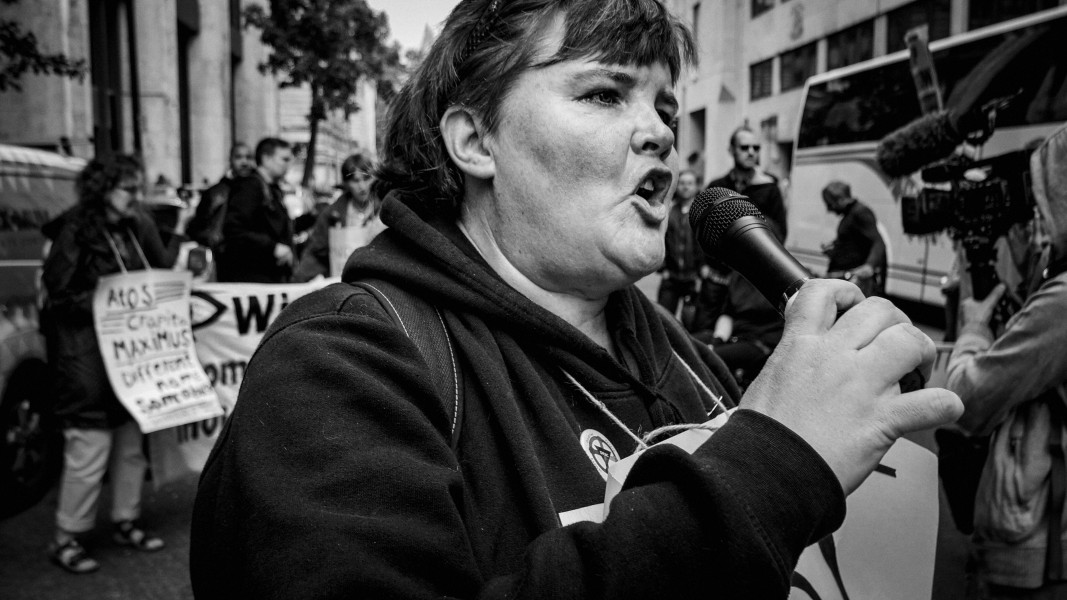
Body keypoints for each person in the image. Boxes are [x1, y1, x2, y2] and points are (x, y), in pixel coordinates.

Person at [191, 1, 961, 598]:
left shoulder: (673, 350)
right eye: (603, 92)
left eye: (664, 107)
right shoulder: (340, 366)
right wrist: (771, 467)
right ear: (475, 141)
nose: (660, 133)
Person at [42, 155, 186, 574]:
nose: (135, 197)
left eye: (139, 188)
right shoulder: (75, 230)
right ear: (103, 189)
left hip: (131, 359)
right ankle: (66, 537)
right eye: (128, 189)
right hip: (86, 358)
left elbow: (159, 273)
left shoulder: (135, 226)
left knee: (129, 446)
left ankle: (127, 519)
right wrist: (107, 301)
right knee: (89, 447)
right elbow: (58, 298)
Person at [944, 124, 1067, 599]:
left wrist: (974, 329)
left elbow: (969, 399)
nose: (1035, 216)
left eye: (1042, 197)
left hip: (1038, 543)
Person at [292, 153, 387, 282]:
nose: (362, 186)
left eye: (366, 179)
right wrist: (300, 282)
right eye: (355, 181)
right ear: (346, 183)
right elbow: (316, 251)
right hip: (344, 284)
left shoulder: (385, 210)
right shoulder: (332, 214)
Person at [215, 137, 295, 283]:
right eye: (284, 159)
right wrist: (273, 248)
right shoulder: (251, 187)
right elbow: (234, 229)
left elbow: (276, 228)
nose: (288, 165)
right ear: (266, 159)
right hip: (251, 279)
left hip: (267, 277)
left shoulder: (270, 189)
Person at [691, 270, 784, 391]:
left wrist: (712, 350)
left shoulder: (777, 278)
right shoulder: (739, 276)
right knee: (688, 342)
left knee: (709, 358)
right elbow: (727, 314)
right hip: (734, 334)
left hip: (760, 342)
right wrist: (716, 341)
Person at [706, 125, 788, 242]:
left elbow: (780, 234)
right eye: (744, 147)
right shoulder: (716, 187)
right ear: (731, 150)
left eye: (756, 148)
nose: (751, 152)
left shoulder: (769, 187)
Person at [821, 180, 887, 297]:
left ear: (841, 199)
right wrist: (835, 247)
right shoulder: (850, 214)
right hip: (844, 276)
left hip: (853, 279)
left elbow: (878, 242)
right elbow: (853, 240)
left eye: (830, 204)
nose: (829, 209)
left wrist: (869, 266)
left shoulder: (861, 212)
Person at [185, 142, 255, 252]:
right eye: (239, 157)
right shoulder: (216, 193)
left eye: (248, 157)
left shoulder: (260, 190)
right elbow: (200, 227)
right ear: (230, 160)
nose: (244, 162)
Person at [656, 169, 706, 319]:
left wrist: (703, 268)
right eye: (682, 183)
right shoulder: (669, 211)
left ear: (696, 186)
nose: (685, 187)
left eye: (690, 183)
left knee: (691, 320)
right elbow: (660, 238)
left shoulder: (703, 213)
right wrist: (663, 267)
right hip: (671, 276)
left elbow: (706, 243)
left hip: (694, 278)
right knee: (663, 317)